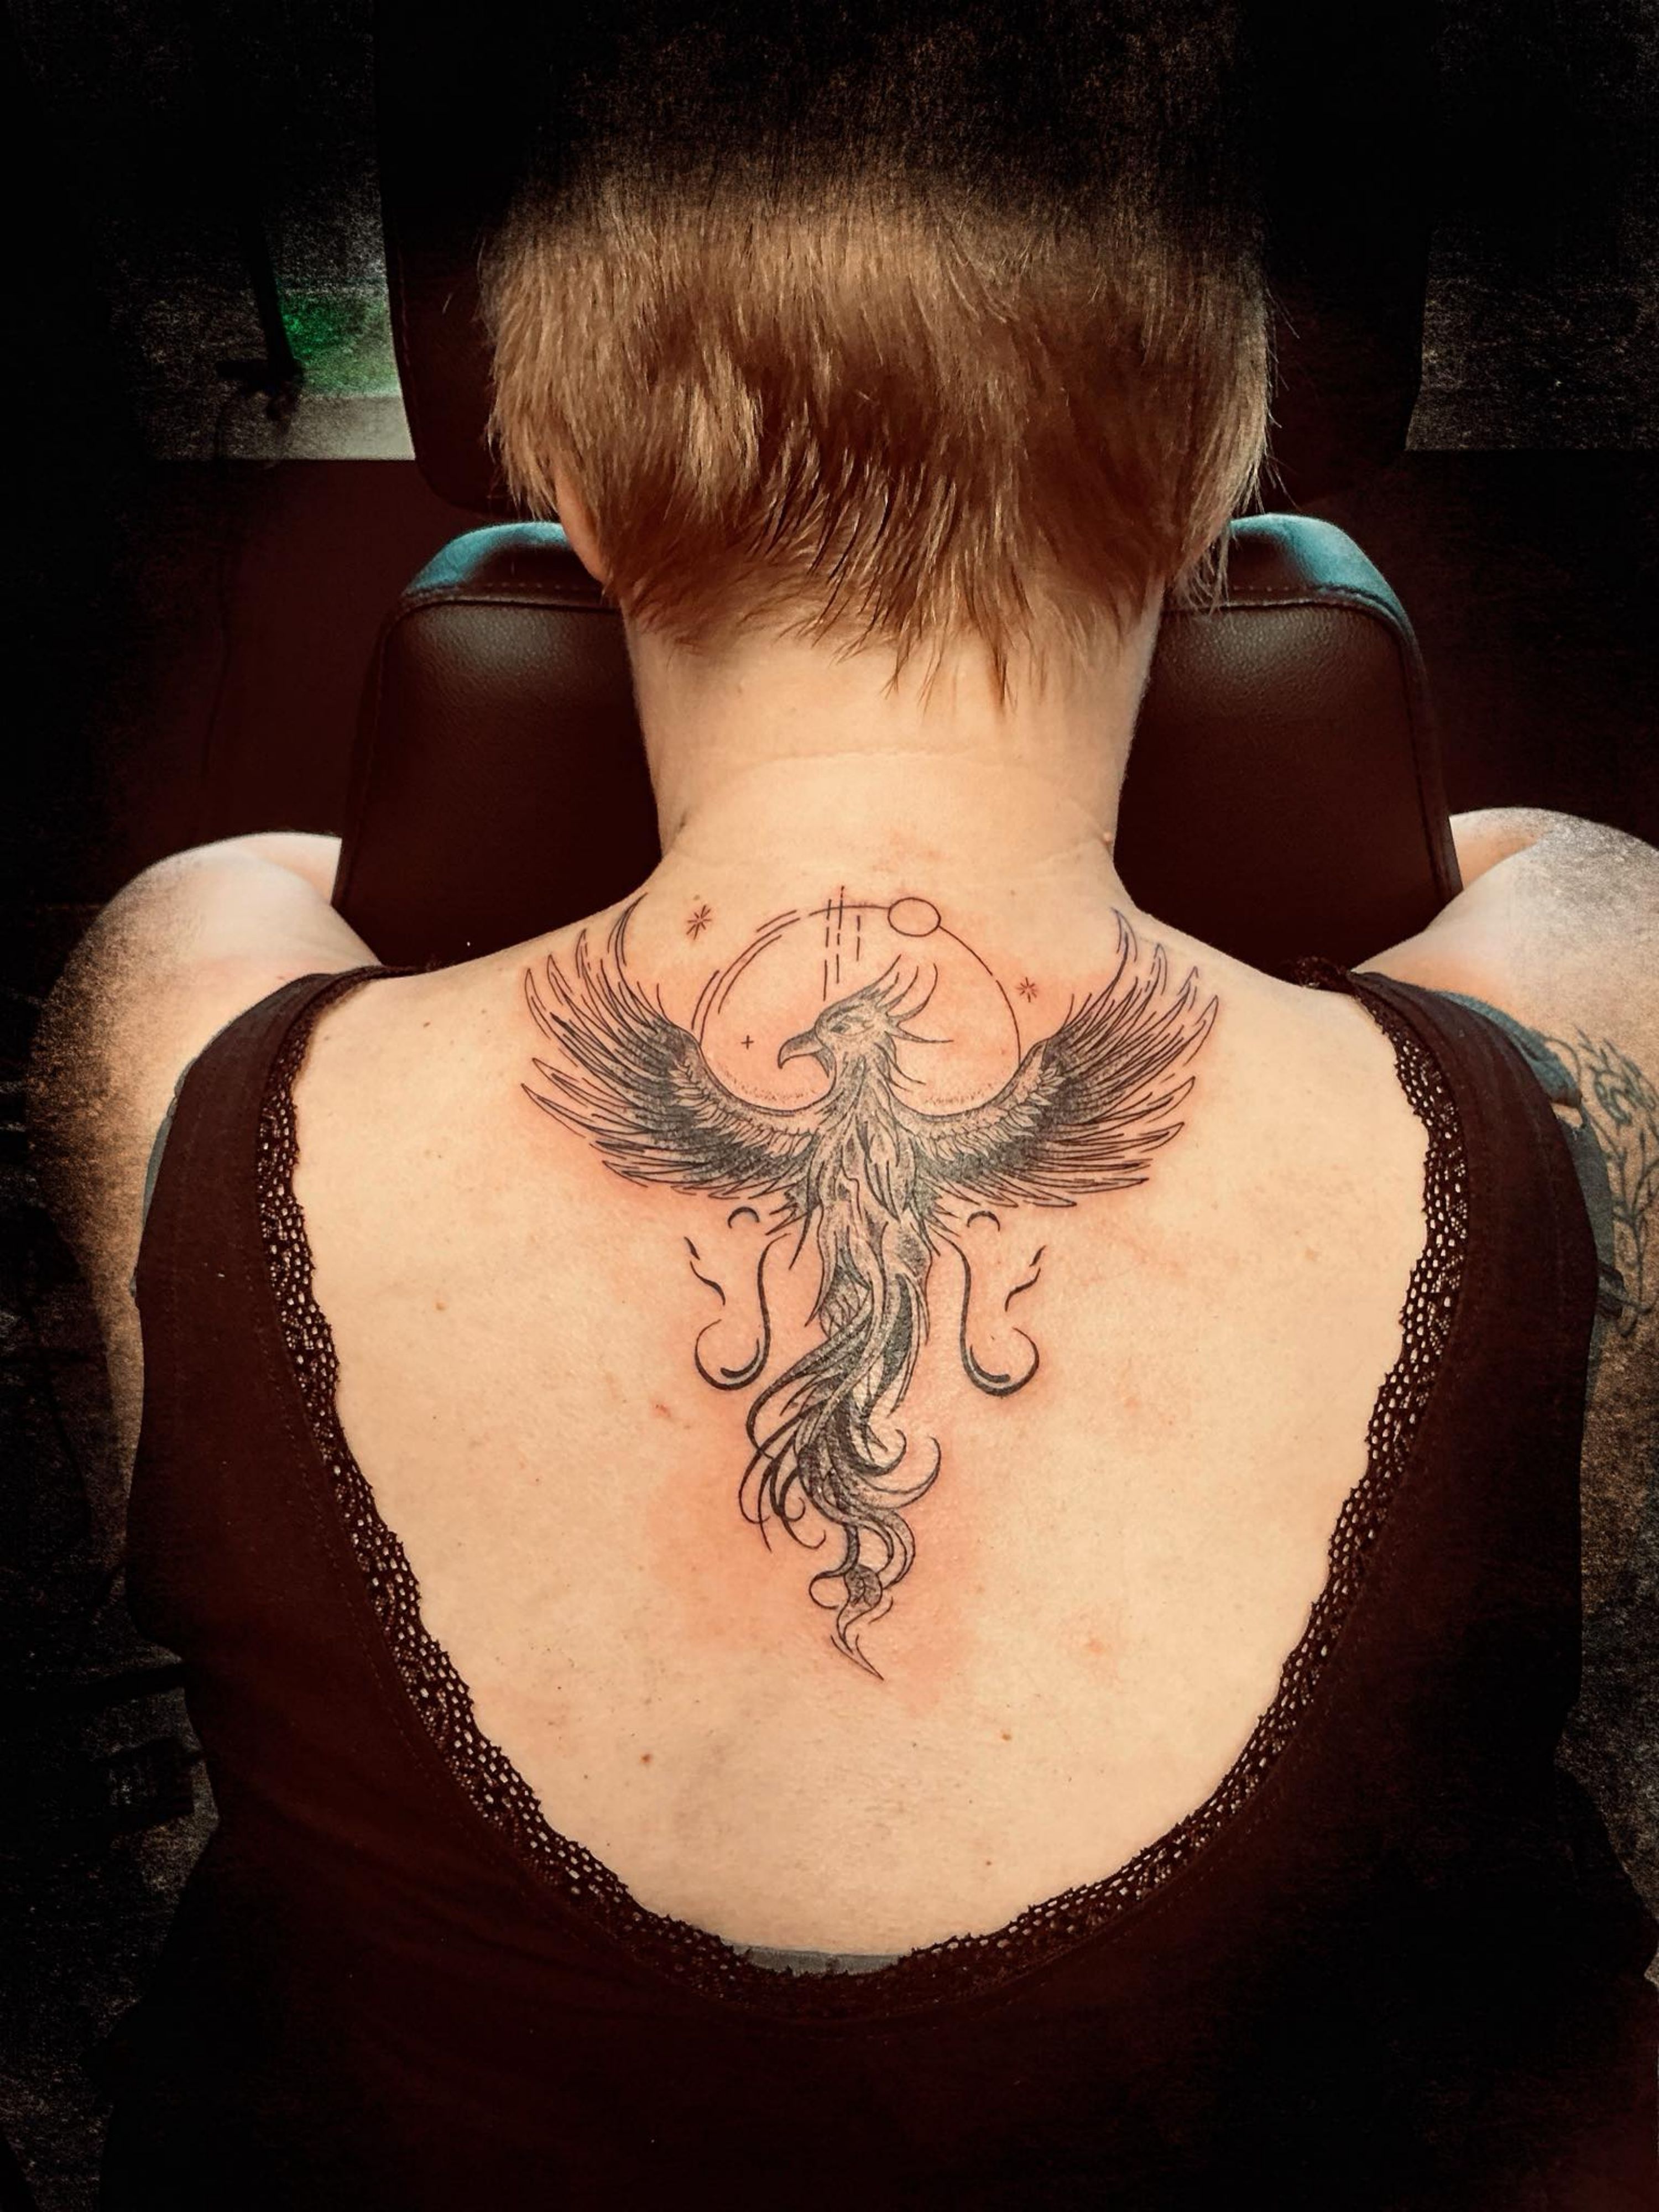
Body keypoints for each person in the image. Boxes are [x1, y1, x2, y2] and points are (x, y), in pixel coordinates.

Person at [26, 5, 1659, 2204]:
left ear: (550, 459)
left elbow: (293, 884)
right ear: (1227, 458)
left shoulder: (180, 1014)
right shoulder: (1599, 999)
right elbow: (1523, 866)